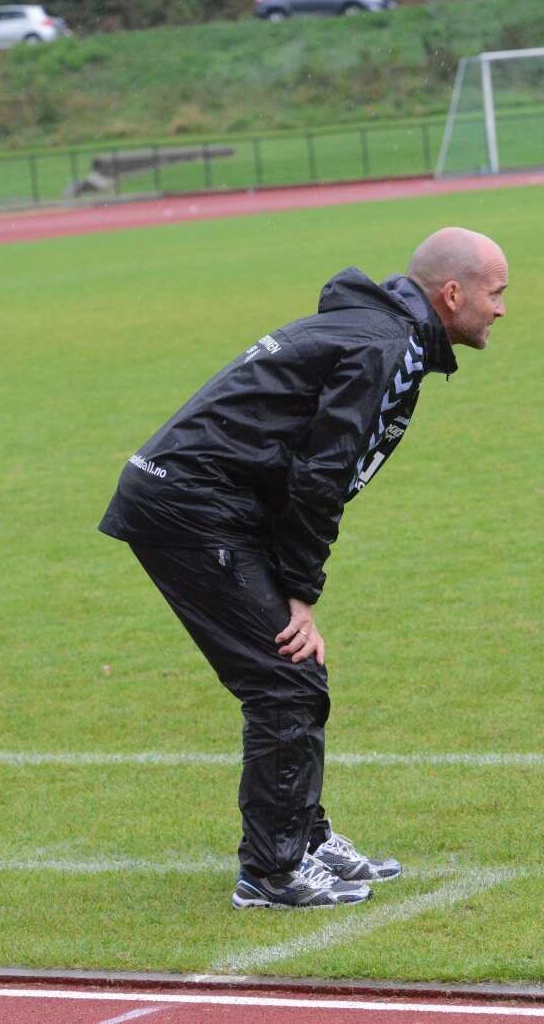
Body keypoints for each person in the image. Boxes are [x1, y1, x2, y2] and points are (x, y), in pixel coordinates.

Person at [98, 227, 510, 910]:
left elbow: (302, 465)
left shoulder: (384, 334)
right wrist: (299, 592)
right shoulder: (384, 347)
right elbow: (322, 478)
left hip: (213, 503)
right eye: (495, 293)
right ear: (451, 293)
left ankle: (303, 840)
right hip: (190, 506)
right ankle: (272, 872)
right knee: (285, 679)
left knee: (293, 675)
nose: (500, 309)